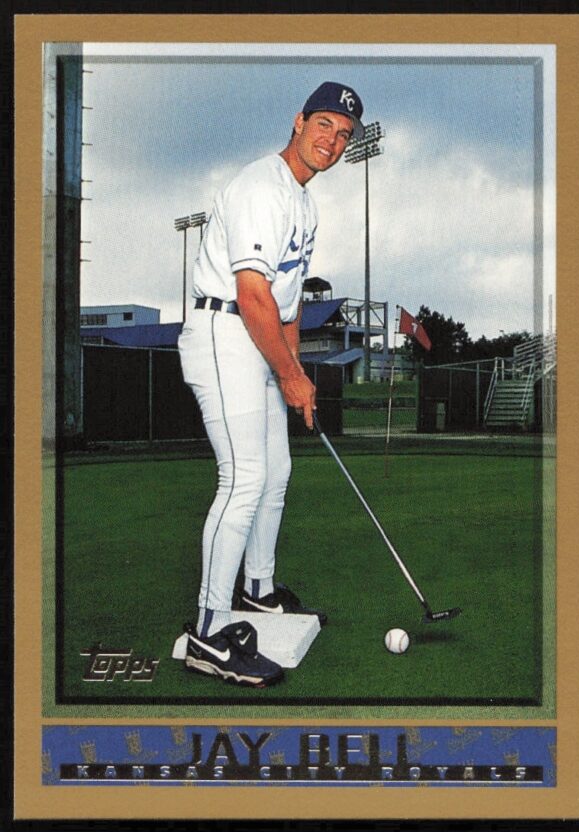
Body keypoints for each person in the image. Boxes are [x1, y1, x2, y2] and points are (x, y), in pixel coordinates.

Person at [177, 81, 365, 687]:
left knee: (276, 473)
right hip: (223, 332)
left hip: (256, 338)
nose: (332, 141)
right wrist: (287, 374)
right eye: (324, 126)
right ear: (298, 120)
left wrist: (297, 374)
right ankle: (208, 631)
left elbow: (285, 311)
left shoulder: (303, 202)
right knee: (244, 478)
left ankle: (257, 589)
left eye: (343, 135)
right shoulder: (262, 185)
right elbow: (252, 294)